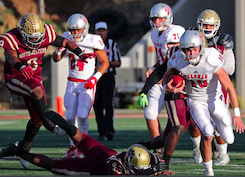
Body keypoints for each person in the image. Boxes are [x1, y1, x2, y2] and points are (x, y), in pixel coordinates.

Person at [0, 13, 95, 167]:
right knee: (37, 92)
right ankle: (50, 125)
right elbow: (11, 56)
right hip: (16, 76)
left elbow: (65, 42)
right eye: (31, 38)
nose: (36, 41)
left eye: (39, 37)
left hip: (34, 78)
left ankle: (22, 148)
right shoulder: (12, 37)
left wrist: (80, 53)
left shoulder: (47, 33)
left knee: (36, 121)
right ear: (23, 33)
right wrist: (21, 66)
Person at [159, 30, 244, 176]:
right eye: (187, 49)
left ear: (201, 47)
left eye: (194, 48)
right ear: (182, 50)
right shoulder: (177, 60)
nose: (191, 53)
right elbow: (165, 78)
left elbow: (229, 87)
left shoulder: (211, 58)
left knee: (229, 138)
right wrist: (167, 87)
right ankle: (208, 170)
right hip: (196, 101)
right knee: (208, 132)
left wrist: (236, 114)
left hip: (215, 99)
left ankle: (218, 126)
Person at [4, 109, 168, 176]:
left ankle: (69, 127)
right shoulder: (116, 168)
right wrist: (149, 172)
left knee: (83, 139)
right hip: (94, 166)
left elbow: (152, 165)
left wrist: (161, 170)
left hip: (105, 153)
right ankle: (20, 152)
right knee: (54, 165)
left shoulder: (145, 157)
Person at [52, 14, 109, 158]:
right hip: (71, 82)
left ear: (85, 29)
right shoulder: (66, 36)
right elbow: (56, 59)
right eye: (72, 30)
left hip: (87, 84)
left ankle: (83, 147)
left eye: (78, 30)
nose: (75, 33)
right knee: (70, 116)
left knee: (83, 115)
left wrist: (95, 78)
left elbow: (105, 62)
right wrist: (59, 49)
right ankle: (73, 147)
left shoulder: (93, 40)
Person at [187, 9, 236, 166]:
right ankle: (197, 148)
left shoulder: (223, 42)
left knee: (220, 121)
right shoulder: (191, 36)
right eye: (205, 25)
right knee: (194, 121)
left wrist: (210, 66)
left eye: (211, 25)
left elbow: (230, 68)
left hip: (216, 86)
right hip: (195, 84)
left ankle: (222, 153)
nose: (207, 28)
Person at [142, 2, 185, 157]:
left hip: (176, 79)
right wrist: (154, 68)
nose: (157, 22)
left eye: (160, 19)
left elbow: (174, 58)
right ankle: (158, 146)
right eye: (155, 19)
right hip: (160, 78)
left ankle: (209, 141)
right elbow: (162, 59)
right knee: (149, 112)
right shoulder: (154, 35)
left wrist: (158, 72)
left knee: (189, 118)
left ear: (168, 18)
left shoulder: (175, 32)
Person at [93, 21, 121, 141]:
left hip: (108, 76)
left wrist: (105, 64)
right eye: (99, 30)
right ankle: (101, 131)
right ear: (95, 32)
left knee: (108, 104)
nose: (101, 33)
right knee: (97, 104)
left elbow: (118, 62)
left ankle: (109, 130)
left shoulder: (112, 44)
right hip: (95, 77)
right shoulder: (91, 44)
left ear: (107, 31)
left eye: (103, 30)